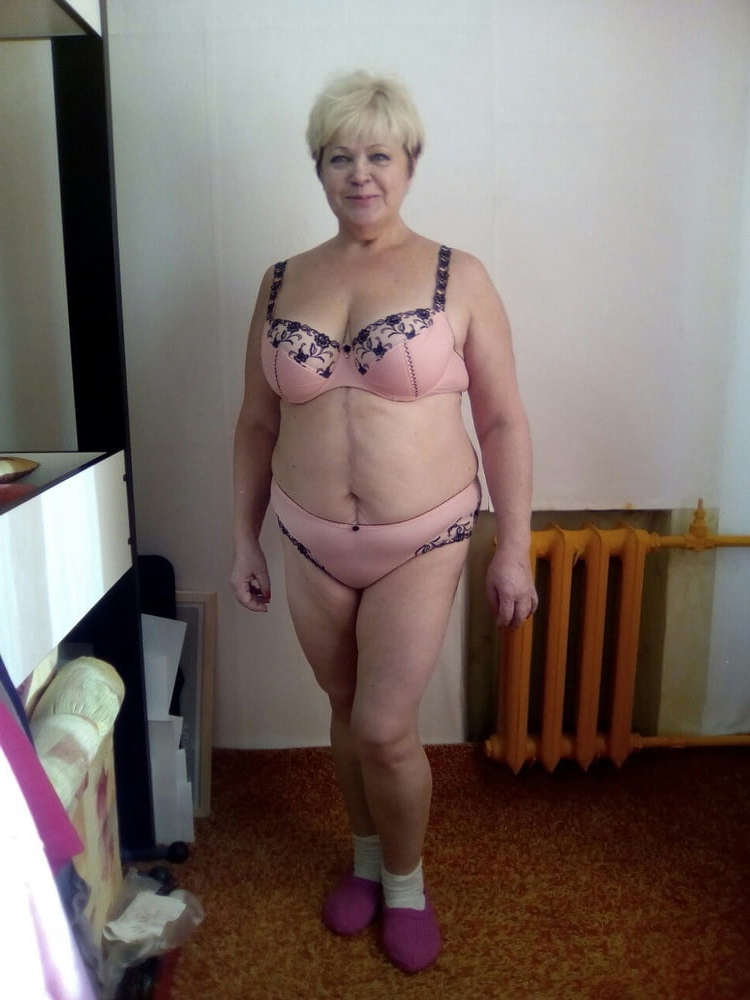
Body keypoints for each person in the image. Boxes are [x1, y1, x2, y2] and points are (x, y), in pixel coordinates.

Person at [231, 70, 537, 973]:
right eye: (339, 157)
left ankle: (406, 882)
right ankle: (365, 856)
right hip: (307, 536)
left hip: (422, 539)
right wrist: (243, 537)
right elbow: (256, 423)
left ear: (409, 163)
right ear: (318, 169)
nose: (359, 174)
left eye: (378, 155)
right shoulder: (280, 281)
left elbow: (503, 421)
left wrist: (514, 548)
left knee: (383, 727)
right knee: (342, 708)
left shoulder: (458, 275)